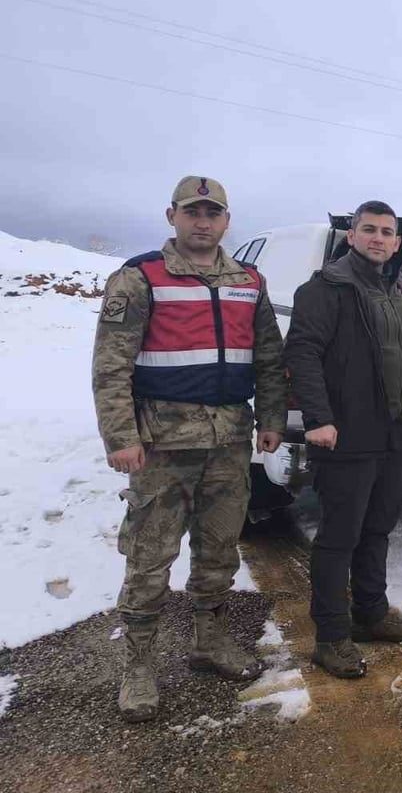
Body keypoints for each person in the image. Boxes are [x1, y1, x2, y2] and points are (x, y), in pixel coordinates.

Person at [92, 176, 288, 722]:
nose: (203, 222)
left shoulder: (249, 281)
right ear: (172, 216)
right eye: (192, 212)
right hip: (162, 447)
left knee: (219, 551)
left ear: (226, 221)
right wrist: (121, 438)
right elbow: (110, 366)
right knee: (149, 558)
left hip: (228, 444)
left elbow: (269, 358)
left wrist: (272, 418)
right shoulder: (140, 277)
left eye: (213, 213)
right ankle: (139, 667)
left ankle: (209, 642)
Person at [284, 200, 402, 678]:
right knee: (340, 536)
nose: (378, 238)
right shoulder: (325, 288)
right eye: (369, 229)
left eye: (386, 232)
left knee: (378, 528)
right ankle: (330, 636)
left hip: (396, 432)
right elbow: (302, 353)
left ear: (396, 243)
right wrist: (318, 418)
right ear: (352, 236)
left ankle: (371, 612)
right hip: (347, 432)